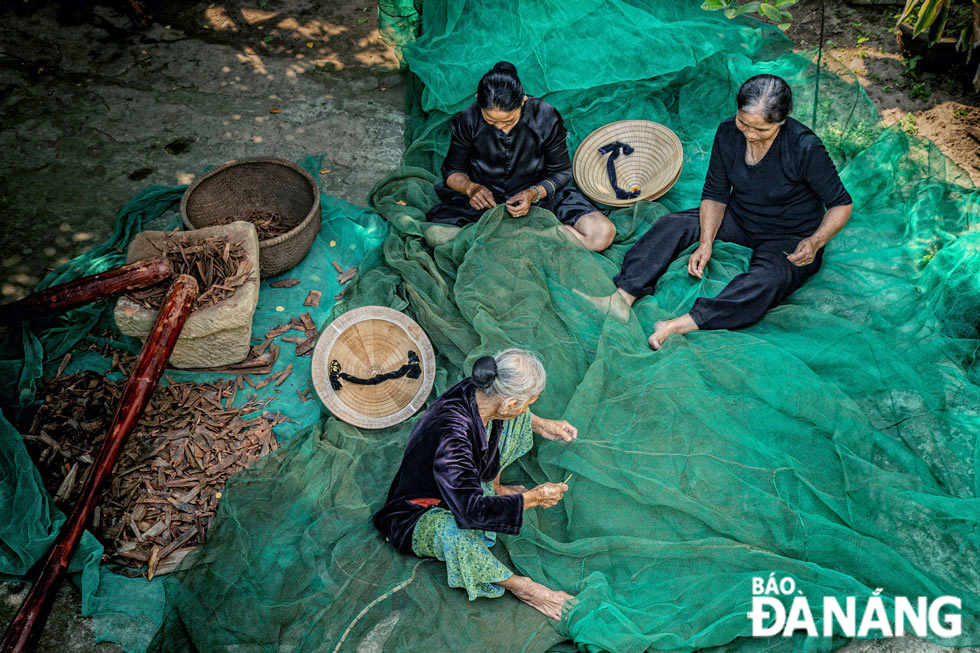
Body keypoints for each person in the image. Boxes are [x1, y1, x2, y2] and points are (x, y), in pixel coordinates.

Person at [613, 74, 853, 349]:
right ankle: (624, 295)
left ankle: (681, 323)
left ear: (783, 120)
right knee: (672, 224)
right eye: (744, 123)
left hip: (789, 236)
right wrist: (706, 242)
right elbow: (715, 193)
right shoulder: (728, 132)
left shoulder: (804, 147)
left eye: (762, 130)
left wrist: (815, 241)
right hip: (739, 218)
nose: (750, 134)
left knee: (768, 281)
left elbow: (841, 203)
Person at [373, 348, 578, 619]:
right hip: (417, 512)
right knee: (455, 535)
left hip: (459, 483)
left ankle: (496, 486)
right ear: (509, 404)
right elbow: (471, 512)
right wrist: (535, 498)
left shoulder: (484, 386)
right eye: (527, 404)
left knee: (516, 425)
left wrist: (541, 424)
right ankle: (523, 588)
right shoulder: (452, 438)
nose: (526, 410)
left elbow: (512, 415)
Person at [427, 61, 616, 252]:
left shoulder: (545, 116)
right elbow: (453, 171)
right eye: (490, 120)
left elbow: (561, 172)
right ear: (478, 101)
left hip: (540, 198)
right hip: (485, 204)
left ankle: (502, 242)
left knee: (602, 233)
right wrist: (471, 188)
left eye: (510, 120)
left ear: (523, 100)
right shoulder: (468, 119)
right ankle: (524, 242)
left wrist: (533, 193)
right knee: (435, 235)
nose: (502, 128)